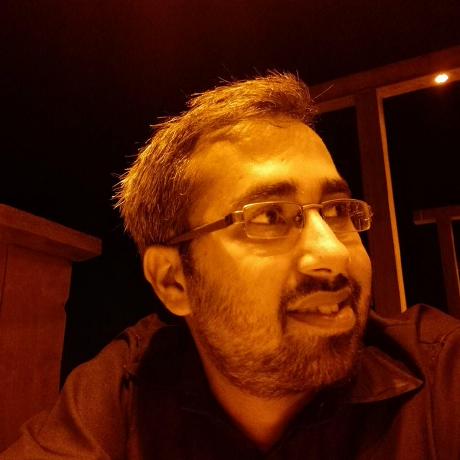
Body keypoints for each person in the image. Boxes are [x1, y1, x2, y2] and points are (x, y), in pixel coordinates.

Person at [1, 73, 459, 459]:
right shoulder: (122, 395)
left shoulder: (439, 376)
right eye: (269, 217)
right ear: (173, 281)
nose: (334, 252)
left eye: (336, 211)